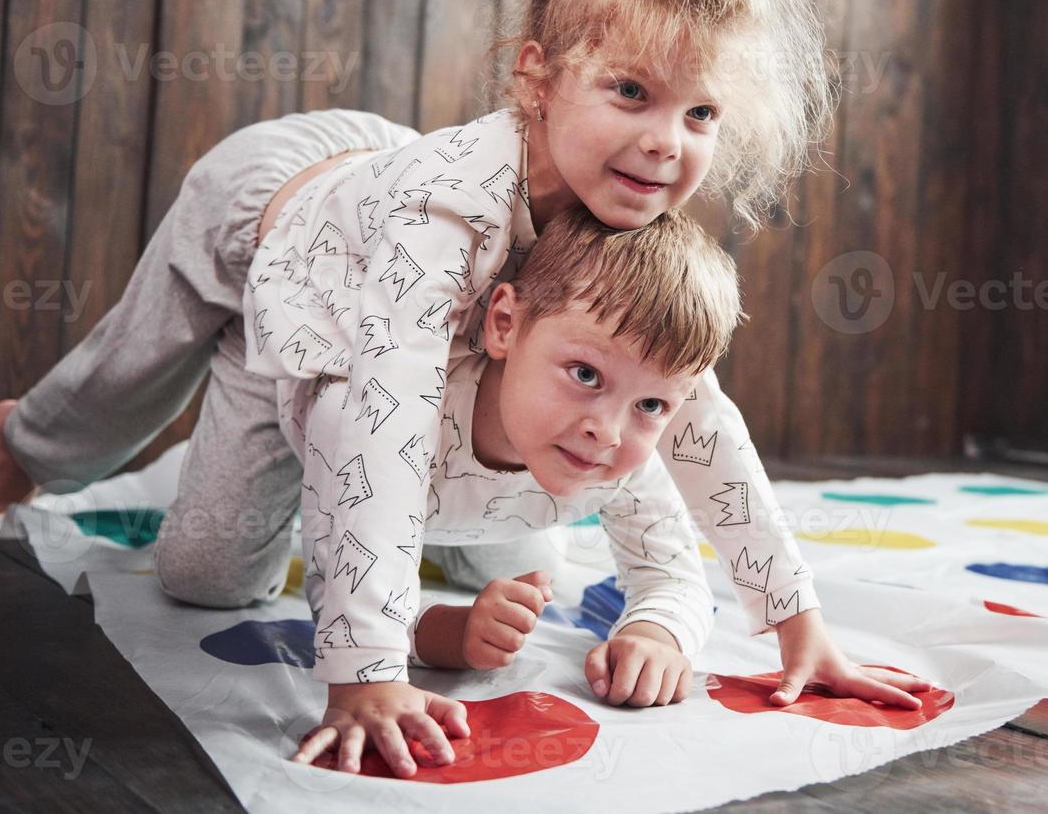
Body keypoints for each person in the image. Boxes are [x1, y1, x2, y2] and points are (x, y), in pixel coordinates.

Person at [0, 0, 934, 781]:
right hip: (279, 216)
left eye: (701, 113)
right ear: (537, 80)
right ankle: (28, 439)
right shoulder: (440, 223)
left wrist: (795, 623)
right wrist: (366, 670)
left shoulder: (619, 209)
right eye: (631, 93)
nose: (665, 142)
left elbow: (696, 415)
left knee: (519, 534)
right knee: (154, 440)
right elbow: (383, 430)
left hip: (382, 241)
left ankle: (410, 550)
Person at [292, 206, 732, 776]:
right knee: (209, 577)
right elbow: (342, 602)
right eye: (585, 374)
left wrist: (657, 635)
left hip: (480, 503)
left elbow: (674, 576)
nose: (609, 429)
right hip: (301, 383)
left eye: (651, 404)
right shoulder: (389, 418)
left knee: (526, 574)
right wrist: (447, 634)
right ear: (504, 324)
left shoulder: (622, 453)